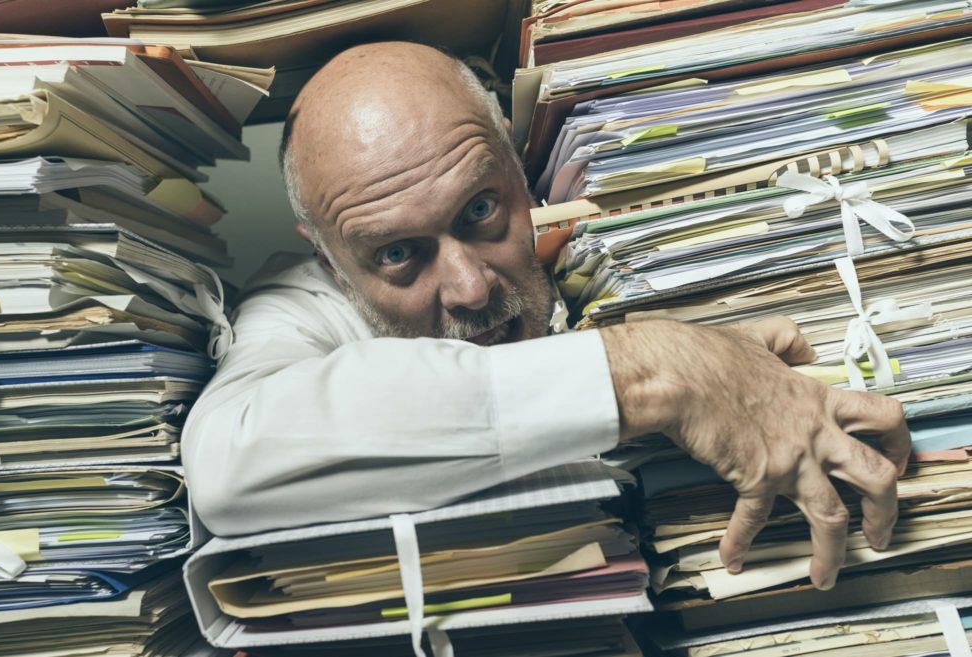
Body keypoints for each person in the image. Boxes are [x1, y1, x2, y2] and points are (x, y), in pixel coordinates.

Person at [182, 42, 910, 592]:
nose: (469, 287)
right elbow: (228, 459)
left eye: (480, 210)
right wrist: (649, 369)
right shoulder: (301, 306)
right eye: (400, 253)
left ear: (512, 153)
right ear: (331, 260)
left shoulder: (609, 240)